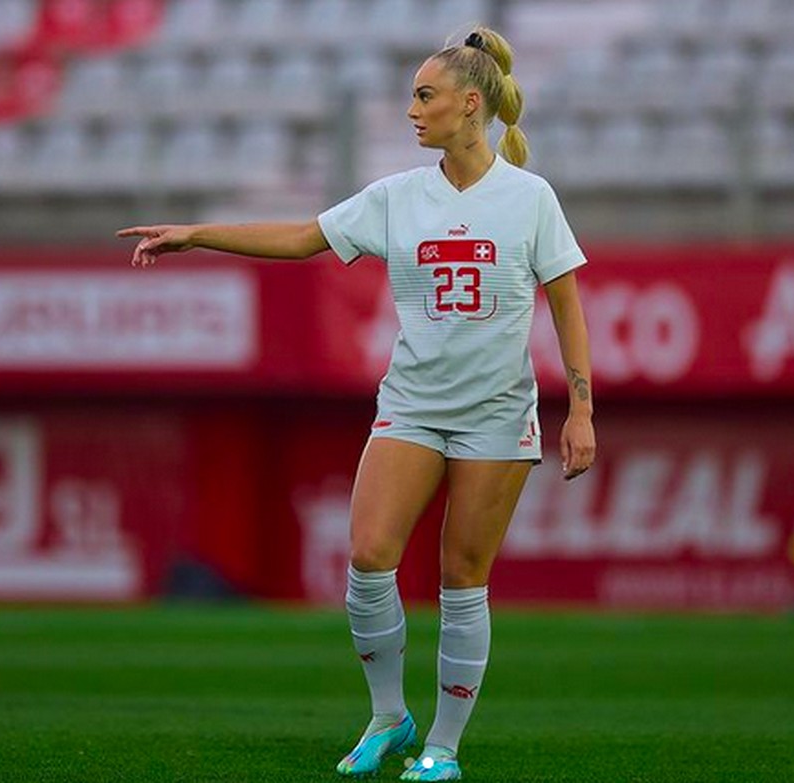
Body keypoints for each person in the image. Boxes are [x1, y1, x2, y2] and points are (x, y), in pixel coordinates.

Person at [117, 26, 595, 782]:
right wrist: (197, 234)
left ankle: (443, 744)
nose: (412, 109)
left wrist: (581, 409)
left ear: (471, 107)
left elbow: (567, 304)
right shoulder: (397, 196)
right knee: (370, 557)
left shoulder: (530, 198)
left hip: (498, 414)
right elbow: (304, 236)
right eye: (413, 95)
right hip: (411, 403)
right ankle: (387, 715)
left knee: (462, 576)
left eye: (424, 95)